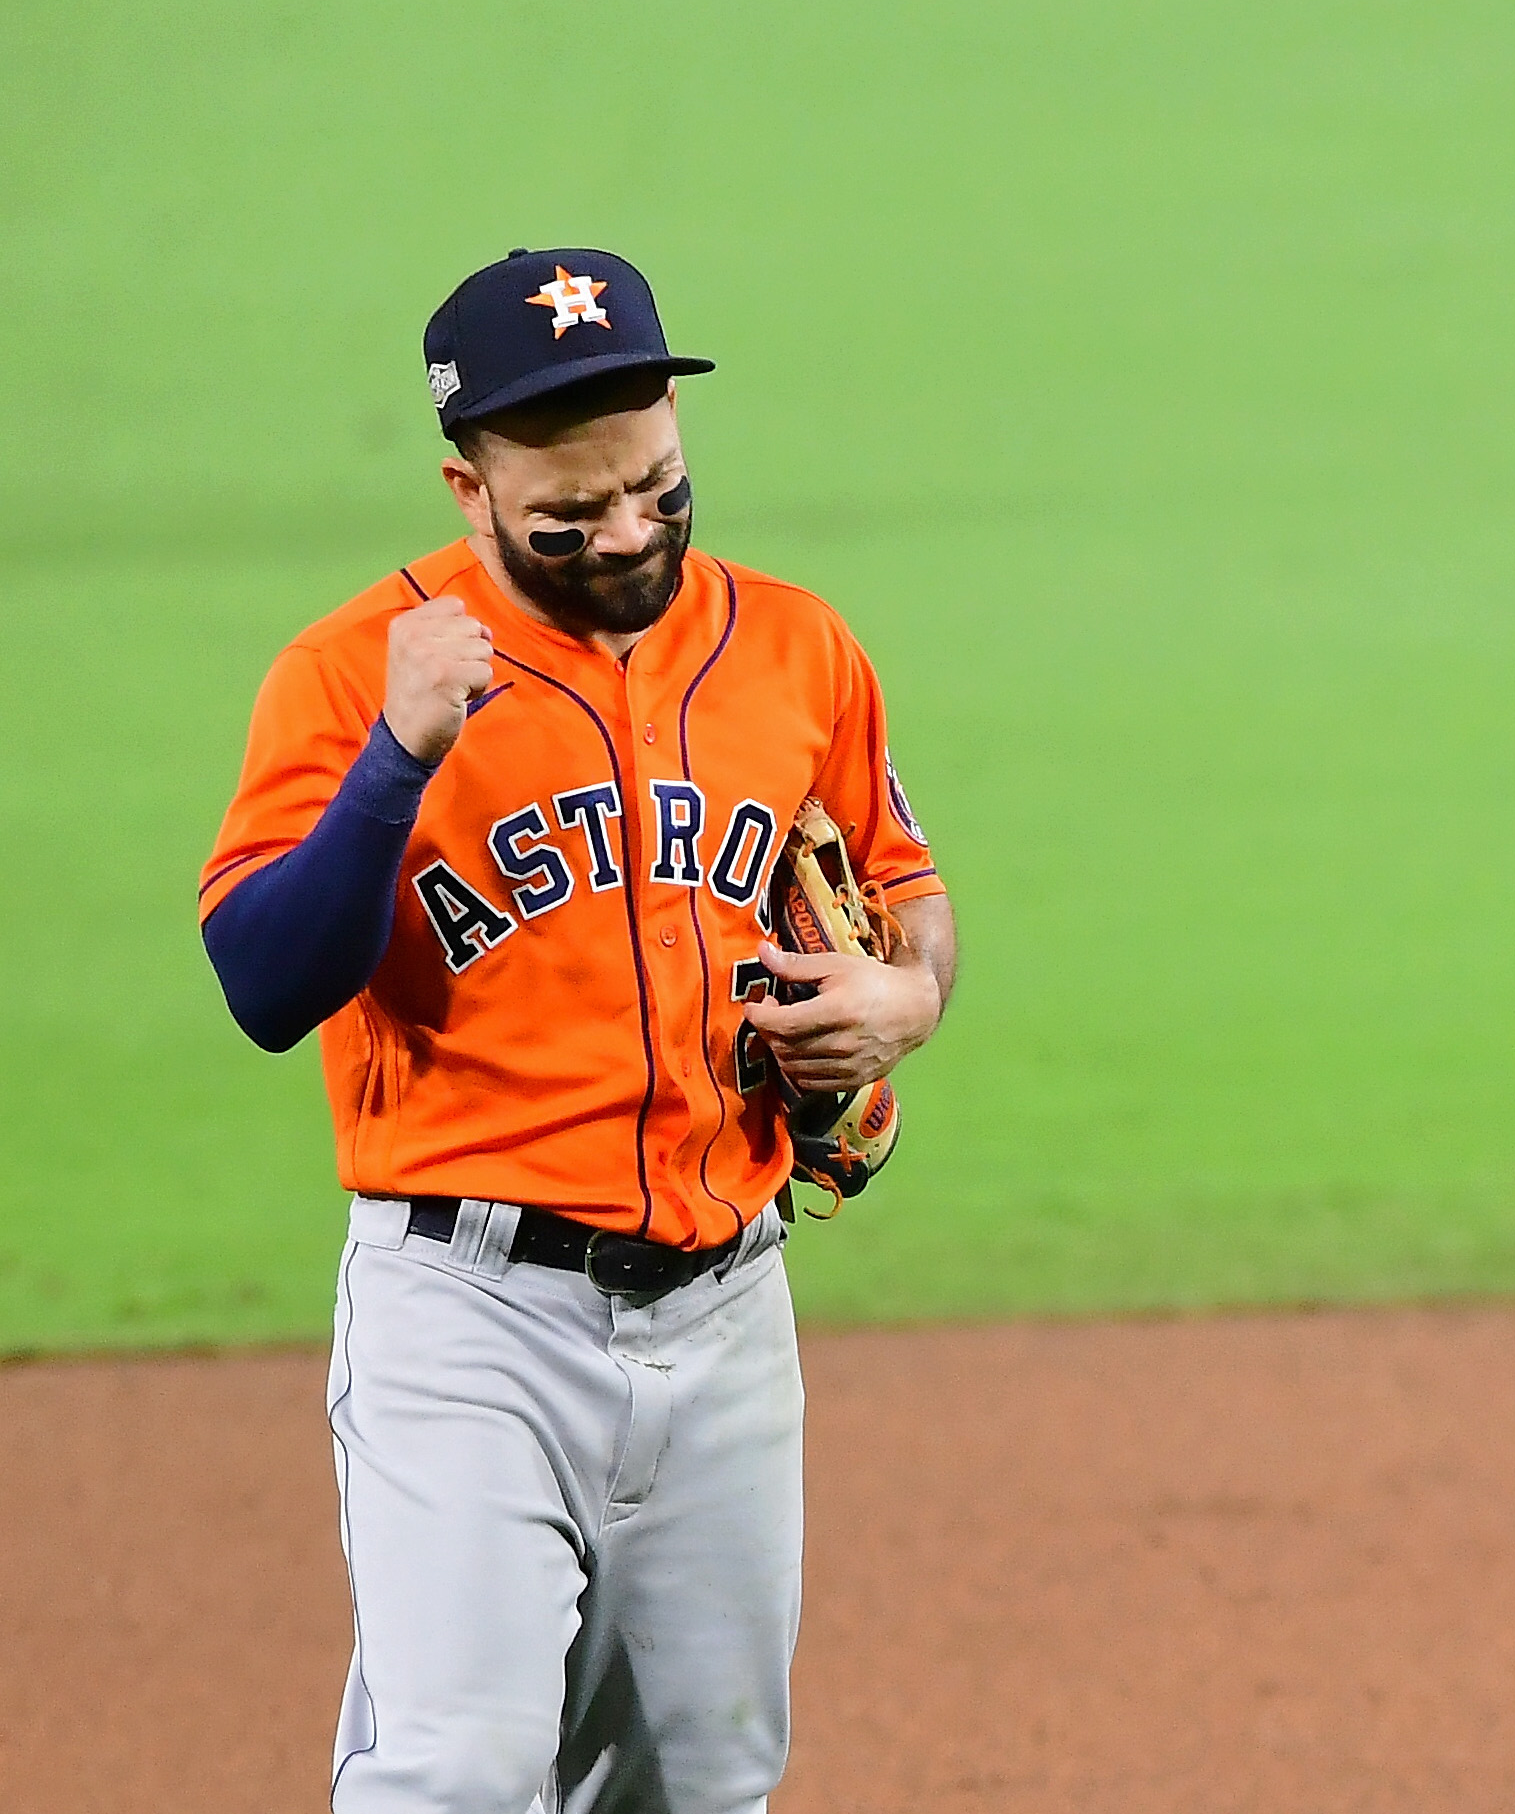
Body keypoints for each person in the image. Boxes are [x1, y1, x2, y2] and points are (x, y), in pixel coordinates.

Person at [199, 246, 955, 1813]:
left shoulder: (796, 647)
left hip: (727, 1310)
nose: (628, 534)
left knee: (701, 1781)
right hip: (469, 1320)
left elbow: (903, 887)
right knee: (458, 1776)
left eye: (658, 490)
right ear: (468, 488)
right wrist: (397, 763)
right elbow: (266, 983)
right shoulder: (352, 675)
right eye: (572, 512)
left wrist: (904, 997)